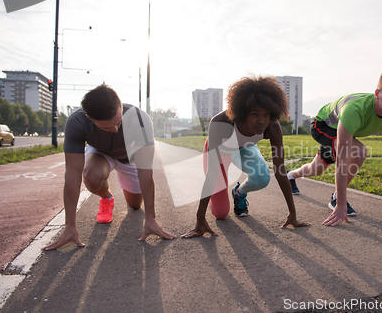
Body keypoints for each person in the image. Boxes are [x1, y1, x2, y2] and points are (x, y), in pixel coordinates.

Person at [42, 83, 176, 251]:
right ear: (89, 118)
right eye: (106, 127)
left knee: (135, 206)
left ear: (121, 107)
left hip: (130, 158)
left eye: (119, 123)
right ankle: (107, 197)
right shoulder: (76, 122)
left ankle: (130, 192)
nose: (114, 130)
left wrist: (150, 218)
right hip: (100, 153)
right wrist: (69, 226)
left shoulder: (140, 119)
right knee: (90, 175)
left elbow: (145, 172)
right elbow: (72, 175)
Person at [287, 68, 382, 226]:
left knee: (316, 169)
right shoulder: (355, 110)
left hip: (345, 129)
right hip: (324, 125)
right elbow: (343, 160)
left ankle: (290, 176)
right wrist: (340, 204)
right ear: (377, 94)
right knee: (358, 151)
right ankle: (336, 198)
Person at [182, 76, 310, 238]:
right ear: (242, 112)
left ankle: (239, 192)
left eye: (266, 114)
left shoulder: (272, 127)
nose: (261, 120)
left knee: (262, 177)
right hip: (220, 153)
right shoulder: (220, 123)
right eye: (255, 114)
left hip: (244, 149)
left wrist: (293, 214)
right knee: (221, 213)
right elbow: (212, 172)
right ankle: (212, 209)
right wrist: (200, 219)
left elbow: (280, 171)